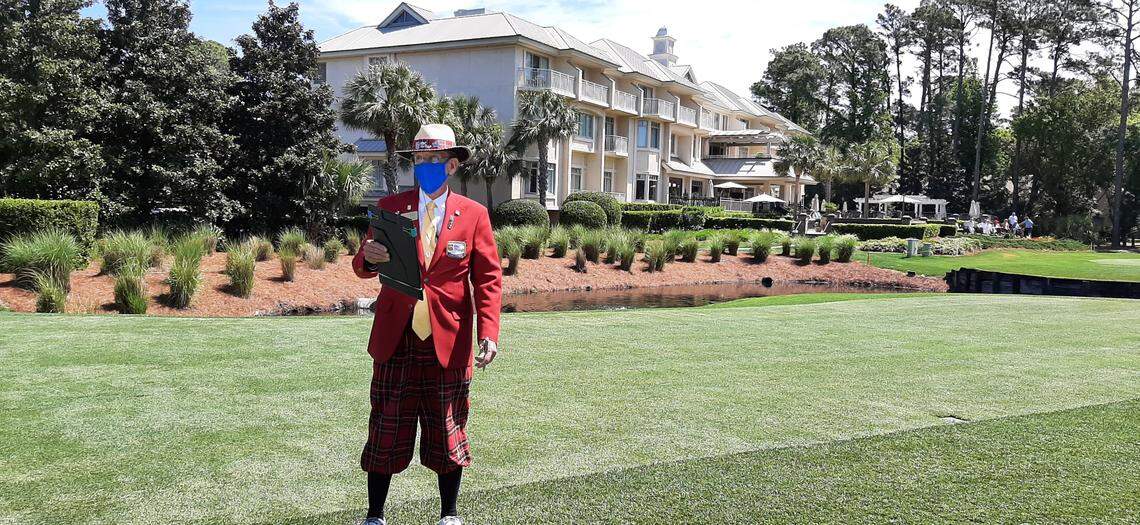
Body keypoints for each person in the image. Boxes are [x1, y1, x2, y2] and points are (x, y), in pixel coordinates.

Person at [352, 124, 503, 525]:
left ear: (451, 165)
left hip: (448, 342)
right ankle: (374, 516)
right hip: (395, 340)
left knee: (447, 429)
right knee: (385, 428)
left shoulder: (474, 216)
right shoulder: (390, 206)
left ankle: (449, 515)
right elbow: (362, 266)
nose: (426, 167)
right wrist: (369, 256)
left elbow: (487, 280)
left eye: (434, 160)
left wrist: (488, 334)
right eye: (419, 160)